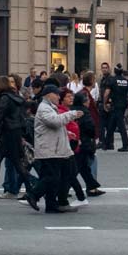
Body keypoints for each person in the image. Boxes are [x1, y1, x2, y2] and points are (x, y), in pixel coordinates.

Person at [33, 78, 84, 215]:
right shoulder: (44, 108)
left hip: (55, 147)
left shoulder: (50, 107)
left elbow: (54, 125)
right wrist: (72, 114)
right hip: (50, 148)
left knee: (57, 176)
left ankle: (52, 204)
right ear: (49, 95)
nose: (58, 97)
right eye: (56, 94)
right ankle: (34, 195)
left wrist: (67, 132)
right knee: (53, 177)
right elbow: (54, 121)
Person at [104, 65, 128, 152]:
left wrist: (105, 103)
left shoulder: (112, 80)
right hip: (123, 105)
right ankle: (107, 143)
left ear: (114, 71)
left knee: (121, 125)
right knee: (112, 124)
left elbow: (107, 93)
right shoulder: (126, 81)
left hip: (115, 104)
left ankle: (126, 145)